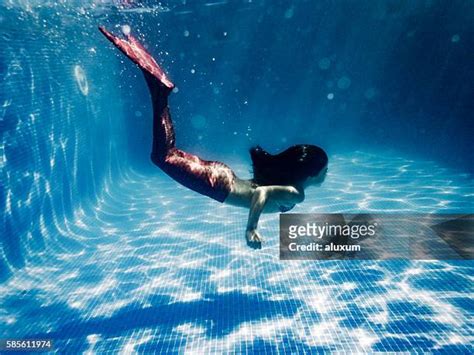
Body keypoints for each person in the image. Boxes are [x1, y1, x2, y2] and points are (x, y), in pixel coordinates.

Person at [99, 27, 328, 249]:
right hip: (219, 185)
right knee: (162, 156)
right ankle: (160, 90)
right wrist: (251, 228)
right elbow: (261, 192)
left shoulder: (291, 186)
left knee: (166, 154)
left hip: (222, 179)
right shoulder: (297, 193)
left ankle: (158, 87)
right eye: (324, 170)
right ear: (310, 172)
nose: (326, 173)